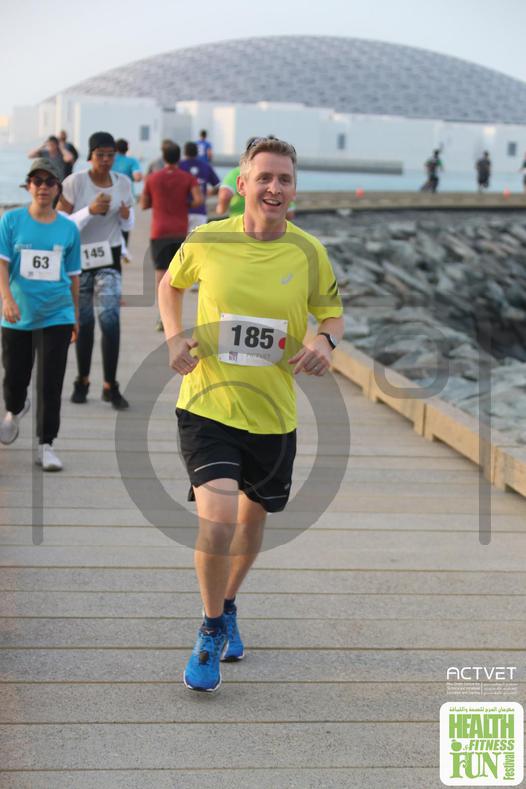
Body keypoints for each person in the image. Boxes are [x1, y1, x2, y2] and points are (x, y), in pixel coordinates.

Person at [158, 136, 343, 692]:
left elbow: (332, 316)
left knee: (250, 524)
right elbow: (170, 285)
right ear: (242, 185)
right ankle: (211, 626)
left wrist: (325, 344)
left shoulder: (308, 252)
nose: (274, 187)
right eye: (264, 177)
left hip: (273, 414)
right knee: (216, 519)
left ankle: (229, 602)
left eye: (284, 179)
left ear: (294, 189)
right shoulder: (208, 239)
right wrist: (174, 337)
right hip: (208, 403)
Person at [0, 158, 80, 470]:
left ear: (58, 188)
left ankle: (46, 444)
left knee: (51, 382)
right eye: (37, 181)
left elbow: (73, 276)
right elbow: (2, 264)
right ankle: (14, 409)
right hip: (17, 313)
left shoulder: (68, 228)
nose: (43, 187)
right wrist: (7, 299)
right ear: (28, 186)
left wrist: (75, 315)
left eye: (49, 182)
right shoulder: (11, 220)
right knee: (14, 375)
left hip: (57, 313)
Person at [60, 131, 133, 409]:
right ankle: (82, 380)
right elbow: (61, 223)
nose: (105, 160)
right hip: (78, 259)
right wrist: (89, 210)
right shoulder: (75, 182)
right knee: (86, 323)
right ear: (90, 156)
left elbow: (128, 224)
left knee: (110, 321)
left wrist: (126, 217)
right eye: (100, 155)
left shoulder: (123, 183)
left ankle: (110, 385)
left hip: (109, 257)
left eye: (110, 155)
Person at [141, 143, 202, 330]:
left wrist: (158, 203)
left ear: (164, 157)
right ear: (179, 157)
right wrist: (185, 206)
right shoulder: (188, 178)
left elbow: (143, 204)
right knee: (178, 276)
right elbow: (199, 199)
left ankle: (162, 316)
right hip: (179, 230)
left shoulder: (152, 178)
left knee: (161, 275)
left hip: (159, 231)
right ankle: (176, 316)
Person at [179, 141, 220, 231]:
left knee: (181, 240)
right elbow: (218, 186)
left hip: (182, 212)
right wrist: (209, 193)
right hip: (200, 212)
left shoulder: (179, 165)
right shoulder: (206, 166)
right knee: (197, 240)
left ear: (184, 152)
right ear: (197, 152)